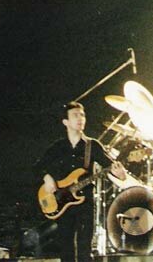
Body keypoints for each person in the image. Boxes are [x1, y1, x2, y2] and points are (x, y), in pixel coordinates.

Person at [34, 101, 126, 262]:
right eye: (75, 115)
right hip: (62, 200)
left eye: (82, 115)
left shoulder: (92, 146)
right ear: (66, 122)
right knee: (66, 248)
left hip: (85, 202)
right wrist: (47, 178)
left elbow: (110, 166)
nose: (80, 118)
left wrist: (119, 173)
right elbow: (38, 167)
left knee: (84, 248)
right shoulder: (59, 146)